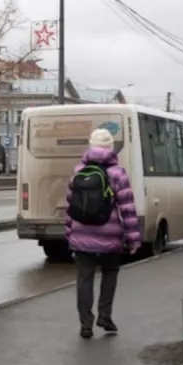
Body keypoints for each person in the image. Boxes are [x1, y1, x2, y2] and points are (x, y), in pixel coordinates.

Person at [64, 128, 141, 339]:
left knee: (84, 277)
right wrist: (133, 239)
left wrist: (69, 232)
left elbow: (69, 206)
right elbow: (128, 209)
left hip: (81, 234)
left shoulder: (78, 170)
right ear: (110, 148)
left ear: (90, 146)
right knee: (109, 273)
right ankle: (105, 317)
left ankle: (85, 324)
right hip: (110, 234)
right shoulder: (118, 173)